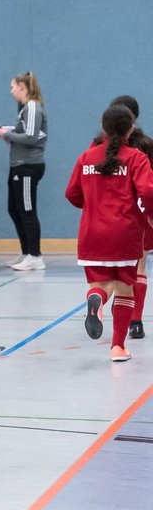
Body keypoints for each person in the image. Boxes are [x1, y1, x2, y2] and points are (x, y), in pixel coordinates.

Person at [67, 104, 153, 362]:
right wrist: (146, 211)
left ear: (103, 128)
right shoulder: (136, 158)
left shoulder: (87, 157)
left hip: (91, 234)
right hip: (124, 233)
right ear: (131, 128)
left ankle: (95, 299)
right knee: (125, 287)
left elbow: (71, 193)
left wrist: (94, 207)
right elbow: (148, 191)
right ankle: (117, 347)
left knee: (100, 284)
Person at [91, 96, 153, 341]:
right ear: (133, 121)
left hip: (107, 217)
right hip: (139, 215)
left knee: (111, 275)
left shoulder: (96, 147)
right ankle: (135, 322)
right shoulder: (146, 145)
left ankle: (107, 311)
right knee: (139, 266)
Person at [0, 72, 48, 270]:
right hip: (18, 165)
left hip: (28, 166)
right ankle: (26, 251)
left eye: (13, 87)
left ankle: (35, 255)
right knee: (14, 208)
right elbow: (25, 132)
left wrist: (7, 134)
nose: (11, 91)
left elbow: (32, 137)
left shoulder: (33, 107)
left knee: (27, 210)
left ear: (22, 87)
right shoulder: (24, 109)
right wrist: (9, 131)